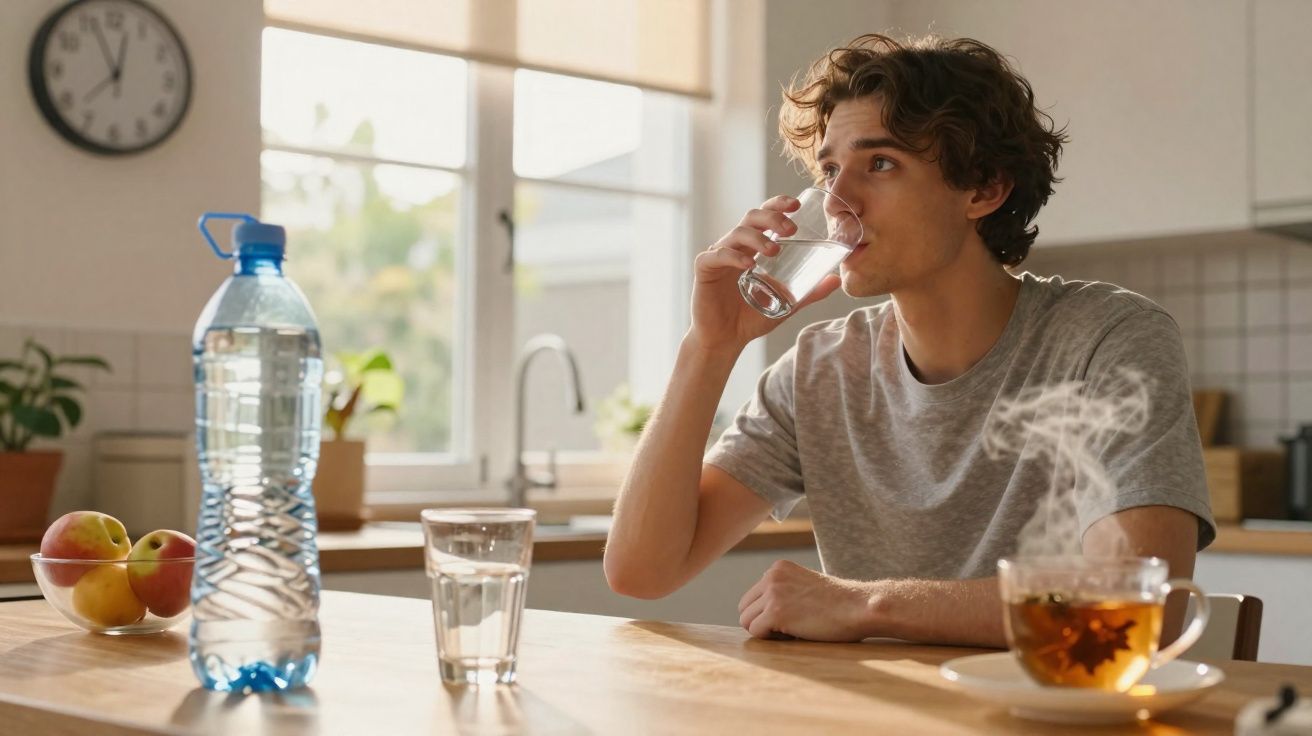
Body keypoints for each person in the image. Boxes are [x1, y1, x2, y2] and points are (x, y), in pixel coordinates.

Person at [602, 33, 1214, 648]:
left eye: (881, 164)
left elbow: (1135, 605)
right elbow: (642, 571)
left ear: (983, 189)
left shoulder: (1107, 338)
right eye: (830, 171)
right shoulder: (820, 370)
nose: (838, 203)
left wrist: (868, 603)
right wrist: (708, 346)